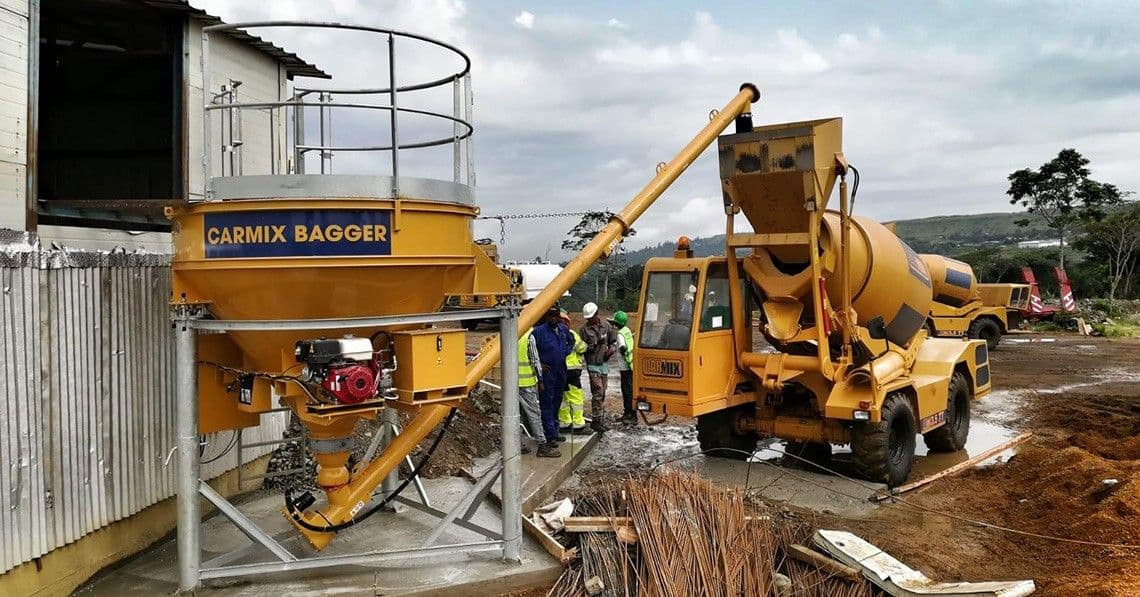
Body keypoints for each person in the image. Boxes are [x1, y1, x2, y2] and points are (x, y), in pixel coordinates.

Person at [531, 305, 573, 451]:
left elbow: (571, 341)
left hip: (560, 370)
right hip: (547, 373)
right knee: (546, 404)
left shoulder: (563, 330)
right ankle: (549, 436)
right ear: (547, 317)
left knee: (557, 401)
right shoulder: (538, 332)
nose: (553, 319)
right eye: (551, 316)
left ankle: (554, 431)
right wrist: (539, 365)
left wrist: (565, 352)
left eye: (556, 316)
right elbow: (531, 350)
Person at [518, 323, 558, 457]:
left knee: (516, 415)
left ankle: (518, 444)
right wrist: (540, 379)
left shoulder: (509, 334)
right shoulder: (529, 336)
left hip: (511, 383)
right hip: (527, 382)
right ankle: (542, 445)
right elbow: (535, 359)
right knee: (534, 414)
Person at [580, 302, 617, 434]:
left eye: (592, 317)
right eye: (588, 319)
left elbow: (613, 342)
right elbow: (583, 348)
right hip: (593, 365)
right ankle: (596, 421)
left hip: (604, 364)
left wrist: (611, 350)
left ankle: (599, 419)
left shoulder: (606, 326)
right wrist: (595, 344)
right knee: (598, 391)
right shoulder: (584, 330)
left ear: (597, 314)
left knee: (603, 392)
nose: (590, 320)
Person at [558, 310, 590, 435]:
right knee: (576, 398)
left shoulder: (554, 334)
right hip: (572, 372)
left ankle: (564, 422)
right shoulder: (570, 334)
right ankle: (578, 424)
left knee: (563, 398)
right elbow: (581, 348)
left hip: (560, 370)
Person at [613, 310, 636, 425]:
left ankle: (629, 415)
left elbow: (622, 347)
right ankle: (631, 413)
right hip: (631, 365)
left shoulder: (619, 334)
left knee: (627, 392)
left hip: (625, 367)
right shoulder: (627, 330)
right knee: (631, 391)